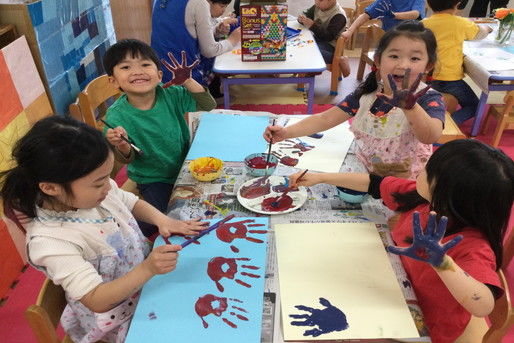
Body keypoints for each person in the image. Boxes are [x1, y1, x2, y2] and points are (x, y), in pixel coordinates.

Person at [0, 116, 208, 343]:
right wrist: (147, 269)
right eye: (99, 182)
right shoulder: (50, 242)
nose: (108, 186)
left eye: (108, 177)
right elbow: (96, 299)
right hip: (117, 317)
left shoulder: (94, 194)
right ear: (51, 188)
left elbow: (129, 201)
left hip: (145, 286)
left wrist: (162, 220)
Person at [288, 139, 514, 343]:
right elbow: (373, 183)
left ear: (450, 194)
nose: (421, 168)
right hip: (390, 284)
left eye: (428, 170)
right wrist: (321, 178)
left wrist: (442, 262)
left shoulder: (473, 246)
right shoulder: (424, 200)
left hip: (421, 323)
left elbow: (483, 305)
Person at [264, 21, 445, 179]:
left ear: (428, 66)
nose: (403, 65)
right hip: (364, 171)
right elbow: (325, 118)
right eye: (394, 56)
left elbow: (430, 136)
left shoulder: (428, 98)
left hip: (404, 180)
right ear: (378, 61)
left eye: (414, 58)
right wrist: (286, 133)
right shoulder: (367, 94)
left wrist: (410, 107)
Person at [103, 39, 216, 237]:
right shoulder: (116, 116)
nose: (137, 71)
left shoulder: (170, 93)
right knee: (164, 218)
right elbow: (127, 158)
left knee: (211, 201)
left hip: (185, 166)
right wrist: (121, 144)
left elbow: (208, 104)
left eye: (145, 64)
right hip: (153, 178)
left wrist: (188, 80)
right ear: (113, 80)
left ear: (160, 75)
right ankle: (121, 231)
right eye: (126, 67)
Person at [422, 0, 493, 124]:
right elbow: (480, 33)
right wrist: (488, 28)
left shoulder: (423, 24)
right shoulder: (460, 23)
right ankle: (445, 125)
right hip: (450, 79)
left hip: (427, 77)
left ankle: (439, 122)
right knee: (476, 107)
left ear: (429, 4)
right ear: (457, 4)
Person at [151, 0, 241, 97]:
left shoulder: (158, 1)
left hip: (159, 77)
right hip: (187, 81)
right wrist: (232, 40)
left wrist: (216, 30)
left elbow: (181, 33)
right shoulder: (199, 3)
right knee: (216, 57)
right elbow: (209, 50)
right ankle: (212, 94)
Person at [297, 0, 351, 77]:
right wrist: (301, 19)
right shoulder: (317, 7)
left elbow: (328, 37)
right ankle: (309, 71)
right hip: (318, 40)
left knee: (307, 50)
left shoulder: (339, 16)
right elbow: (306, 15)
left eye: (320, 0)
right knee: (300, 44)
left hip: (331, 48)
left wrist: (312, 26)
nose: (317, 2)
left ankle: (339, 60)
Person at [342, 0, 426, 42]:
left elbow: (416, 14)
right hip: (389, 39)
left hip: (412, 38)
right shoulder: (384, 1)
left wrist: (395, 15)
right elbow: (365, 16)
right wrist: (350, 31)